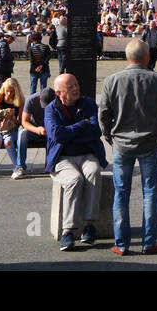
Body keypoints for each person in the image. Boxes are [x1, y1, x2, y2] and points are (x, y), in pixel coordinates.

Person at [99, 39, 157, 255]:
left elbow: (103, 113)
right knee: (150, 192)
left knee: (121, 193)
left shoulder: (111, 80)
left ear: (127, 57)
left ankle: (121, 244)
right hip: (150, 141)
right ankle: (149, 243)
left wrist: (109, 135)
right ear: (147, 57)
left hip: (122, 144)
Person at [45, 73, 107, 252]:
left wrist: (70, 134)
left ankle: (90, 225)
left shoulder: (88, 104)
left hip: (88, 154)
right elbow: (57, 135)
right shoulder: (51, 109)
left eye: (76, 84)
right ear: (59, 92)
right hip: (62, 158)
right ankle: (68, 231)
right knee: (74, 179)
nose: (75, 88)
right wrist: (82, 125)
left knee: (93, 172)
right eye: (70, 86)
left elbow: (96, 131)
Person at [15, 87, 56, 177]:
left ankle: (50, 166)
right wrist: (37, 130)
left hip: (51, 129)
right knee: (22, 134)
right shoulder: (31, 100)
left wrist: (51, 129)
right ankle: (20, 167)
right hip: (35, 128)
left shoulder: (59, 101)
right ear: (40, 97)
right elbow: (24, 122)